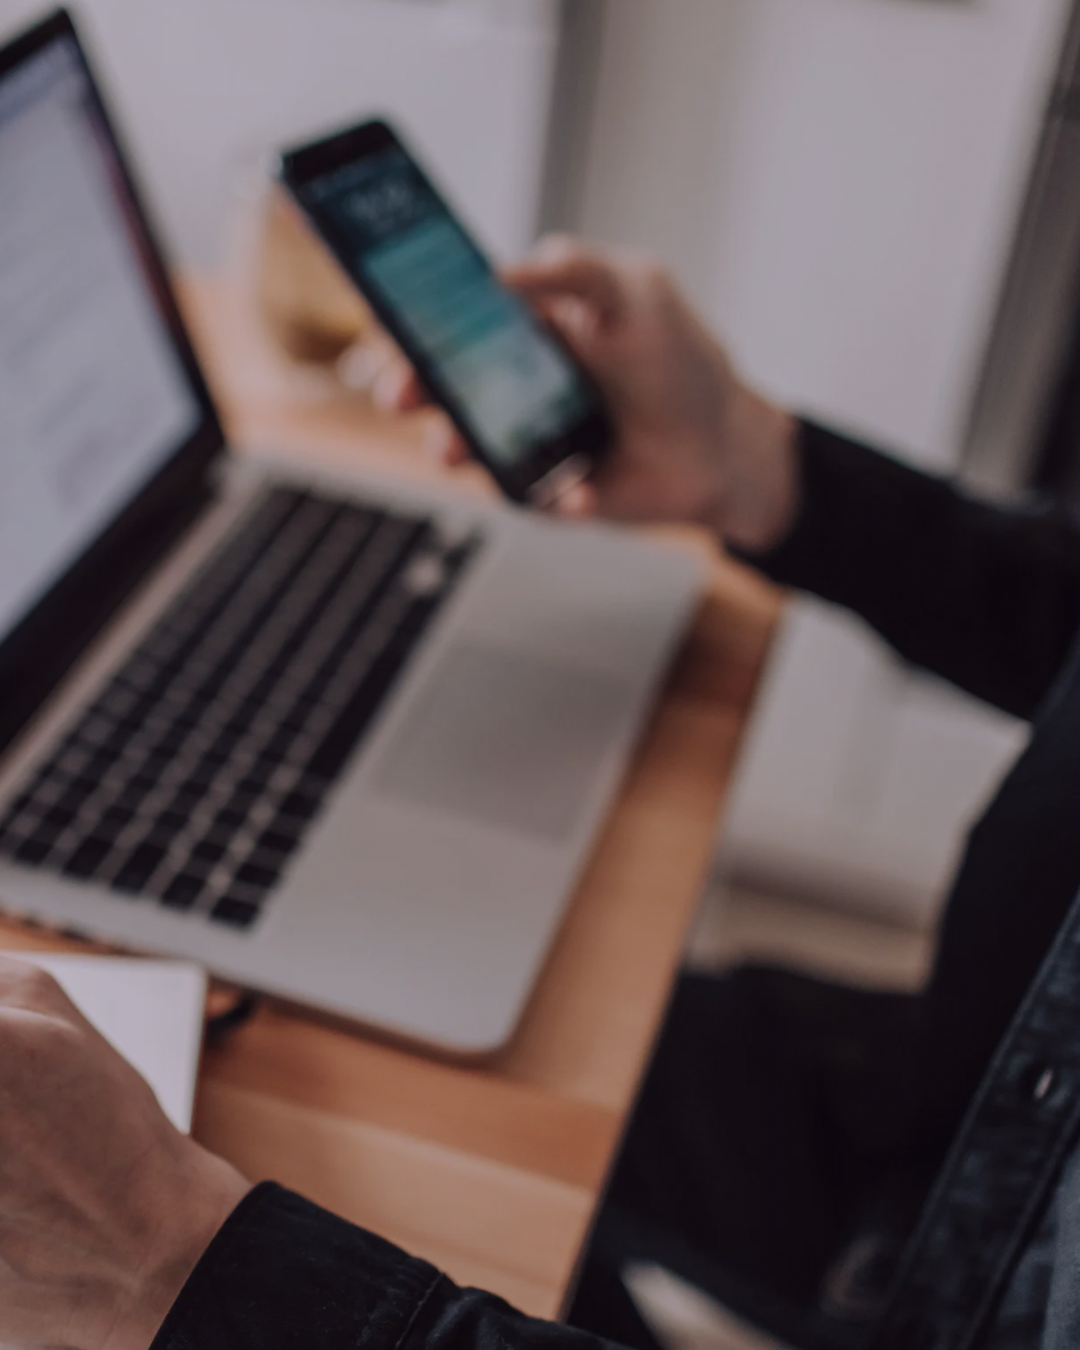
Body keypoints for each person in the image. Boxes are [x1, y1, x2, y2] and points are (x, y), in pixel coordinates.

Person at [5, 237, 1080, 1350]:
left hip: (974, 1269)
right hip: (977, 1079)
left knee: (424, 1180)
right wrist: (765, 470)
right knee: (524, 1093)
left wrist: (180, 1265)